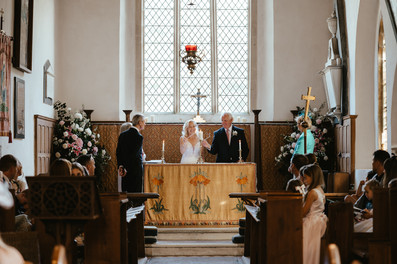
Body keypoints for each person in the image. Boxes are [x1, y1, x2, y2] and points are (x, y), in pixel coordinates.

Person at [300, 164, 327, 264]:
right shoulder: (320, 190)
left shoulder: (312, 193)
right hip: (318, 220)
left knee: (305, 246)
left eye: (306, 178)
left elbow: (303, 212)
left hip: (311, 222)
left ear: (313, 177)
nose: (304, 181)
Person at [116, 114, 146, 193]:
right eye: (144, 122)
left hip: (124, 171)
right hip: (135, 171)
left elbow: (118, 152)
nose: (145, 124)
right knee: (135, 195)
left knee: (125, 194)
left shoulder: (122, 135)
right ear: (139, 122)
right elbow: (134, 155)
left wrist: (121, 166)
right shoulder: (139, 137)